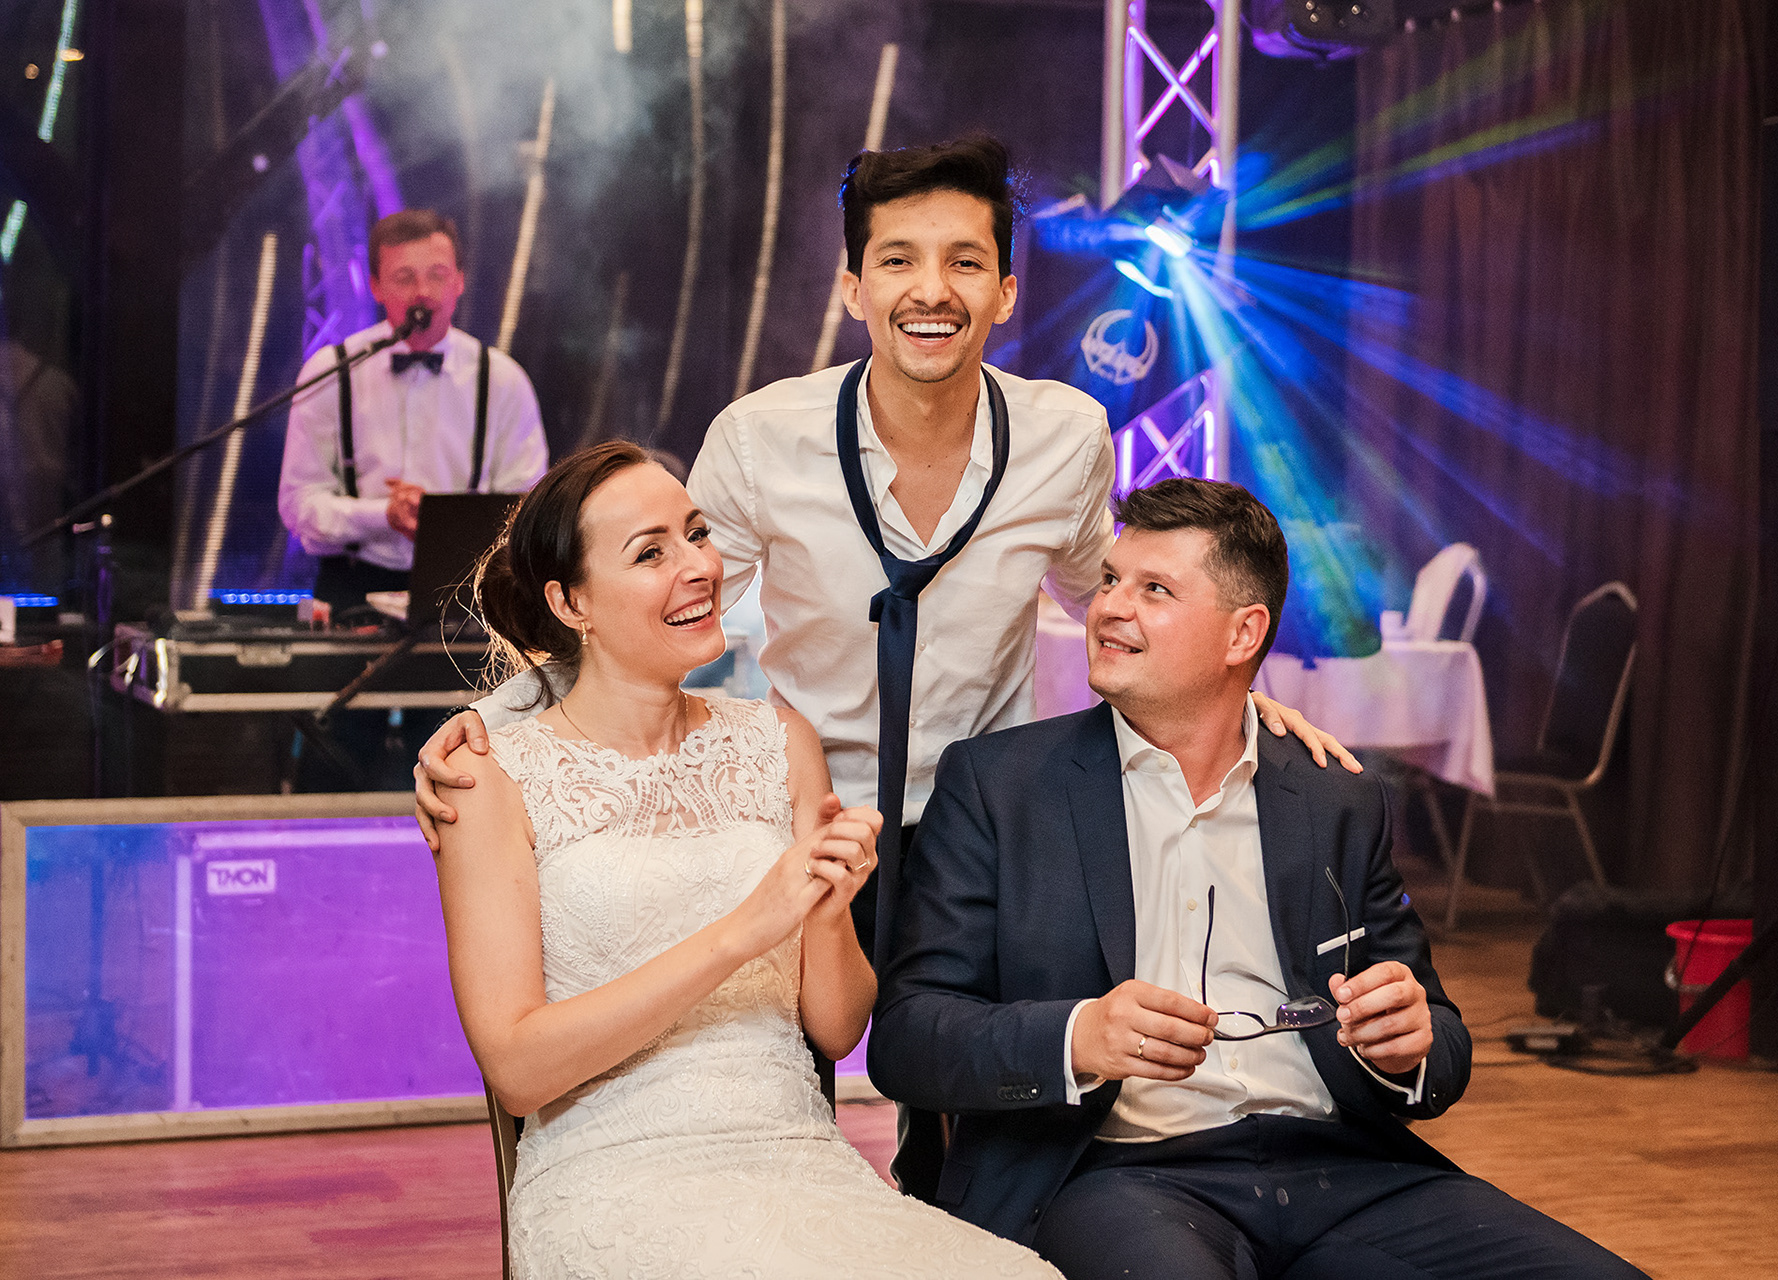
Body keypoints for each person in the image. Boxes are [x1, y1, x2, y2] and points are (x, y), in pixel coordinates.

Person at [414, 135, 1355, 1195]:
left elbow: (1118, 598)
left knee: (981, 1128)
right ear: (853, 286)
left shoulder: (1066, 434)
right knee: (780, 1094)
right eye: (898, 259)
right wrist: (503, 720)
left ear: (1006, 292)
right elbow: (651, 606)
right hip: (810, 819)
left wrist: (1242, 698)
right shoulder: (761, 438)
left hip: (992, 826)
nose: (931, 289)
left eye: (965, 261)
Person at [869, 477, 1649, 1280]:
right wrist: (1080, 1036)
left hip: (1344, 1168)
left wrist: (1408, 1045)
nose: (1107, 608)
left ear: (1243, 633)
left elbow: (1439, 1041)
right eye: (1109, 580)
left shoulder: (1334, 798)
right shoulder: (1000, 787)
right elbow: (906, 1038)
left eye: (1154, 589)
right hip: (1122, 1174)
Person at [432, 440, 1061, 1278]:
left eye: (696, 534)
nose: (699, 567)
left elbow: (837, 1029)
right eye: (651, 553)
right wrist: (744, 931)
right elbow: (517, 1070)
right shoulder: (488, 777)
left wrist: (827, 906)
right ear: (571, 601)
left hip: (800, 1163)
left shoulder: (778, 740)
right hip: (613, 1178)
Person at [278, 208, 548, 613]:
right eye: (404, 277)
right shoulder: (331, 372)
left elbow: (527, 512)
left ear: (459, 281)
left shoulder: (503, 380)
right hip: (350, 588)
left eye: (437, 275)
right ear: (375, 286)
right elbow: (298, 505)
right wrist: (381, 515)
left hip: (469, 592)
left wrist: (443, 521)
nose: (423, 291)